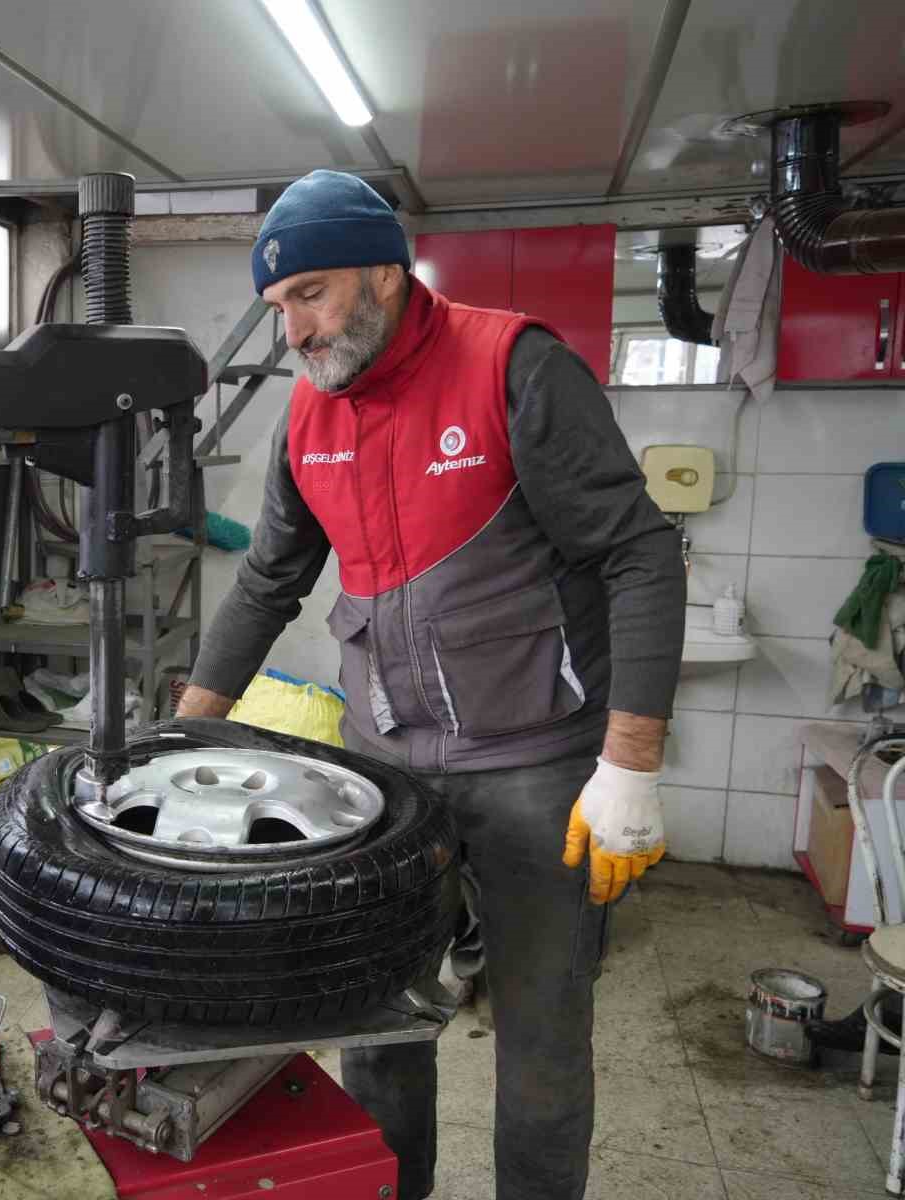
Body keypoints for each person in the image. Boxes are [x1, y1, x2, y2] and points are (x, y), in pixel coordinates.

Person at [175, 170, 686, 1199]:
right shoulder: (307, 419)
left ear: (382, 269)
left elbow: (639, 554)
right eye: (280, 310)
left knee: (539, 1041)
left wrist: (628, 759)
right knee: (377, 1027)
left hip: (535, 767)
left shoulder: (513, 366)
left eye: (312, 294)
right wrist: (187, 728)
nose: (298, 333)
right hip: (384, 776)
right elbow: (272, 575)